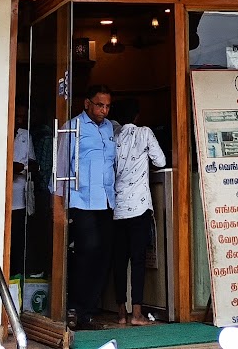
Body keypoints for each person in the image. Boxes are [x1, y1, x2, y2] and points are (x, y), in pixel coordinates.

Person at [61, 83, 117, 330]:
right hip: (81, 200)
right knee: (86, 252)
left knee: (103, 256)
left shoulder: (110, 128)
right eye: (99, 105)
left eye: (107, 106)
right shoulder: (72, 127)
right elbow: (61, 167)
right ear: (87, 103)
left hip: (106, 201)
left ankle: (88, 312)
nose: (103, 110)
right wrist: (57, 204)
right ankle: (73, 308)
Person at [110, 98, 166, 325]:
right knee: (138, 261)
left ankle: (121, 313)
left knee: (119, 261)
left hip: (117, 208)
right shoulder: (144, 133)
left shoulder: (112, 137)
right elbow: (160, 161)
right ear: (136, 116)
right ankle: (137, 314)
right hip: (139, 207)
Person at [10, 93, 34, 277]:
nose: (19, 119)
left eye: (23, 117)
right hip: (3, 196)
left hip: (20, 196)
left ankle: (16, 276)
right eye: (17, 115)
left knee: (19, 239)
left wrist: (23, 167)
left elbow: (33, 163)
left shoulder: (26, 135)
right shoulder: (3, 132)